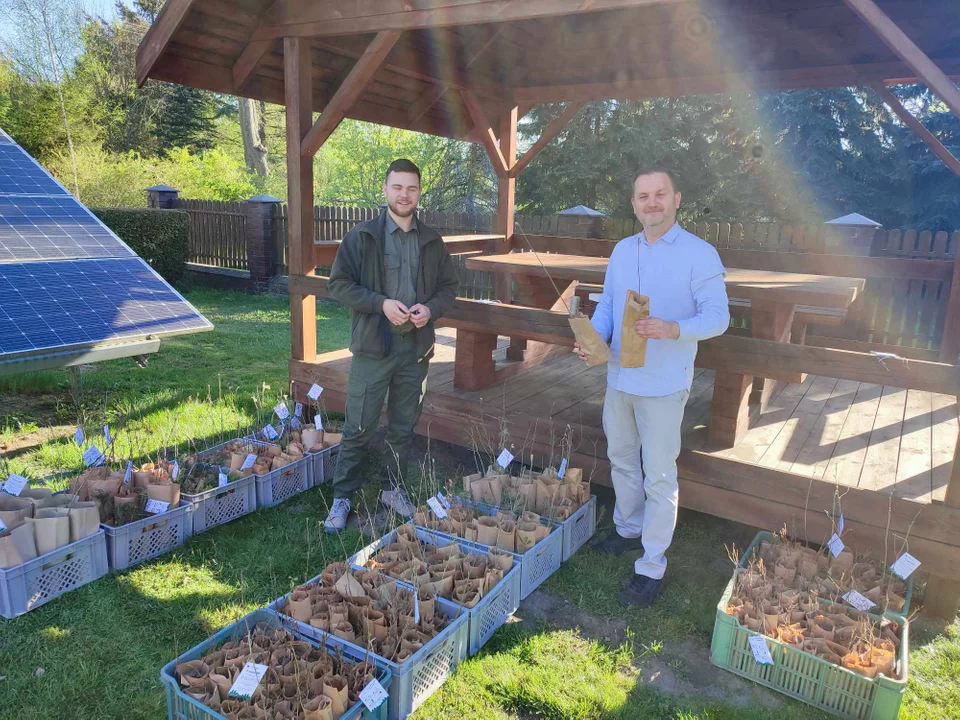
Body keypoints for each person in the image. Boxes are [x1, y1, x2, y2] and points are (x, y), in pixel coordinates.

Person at [576, 167, 730, 607]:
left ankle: (652, 564)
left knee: (660, 475)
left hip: (663, 384)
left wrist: (672, 327)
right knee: (622, 458)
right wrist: (596, 337)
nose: (652, 203)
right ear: (634, 204)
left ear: (677, 198)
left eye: (660, 194)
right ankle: (627, 529)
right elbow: (606, 304)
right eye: (643, 196)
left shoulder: (700, 254)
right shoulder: (623, 251)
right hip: (619, 377)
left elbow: (718, 317)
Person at [323, 159, 459, 533]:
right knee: (358, 427)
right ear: (385, 190)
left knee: (402, 426)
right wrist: (380, 304)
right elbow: (339, 284)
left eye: (411, 188)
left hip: (414, 350)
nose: (404, 195)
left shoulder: (431, 240)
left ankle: (391, 489)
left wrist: (429, 310)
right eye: (397, 187)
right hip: (373, 349)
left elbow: (449, 288)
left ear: (419, 193)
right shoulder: (363, 236)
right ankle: (342, 497)